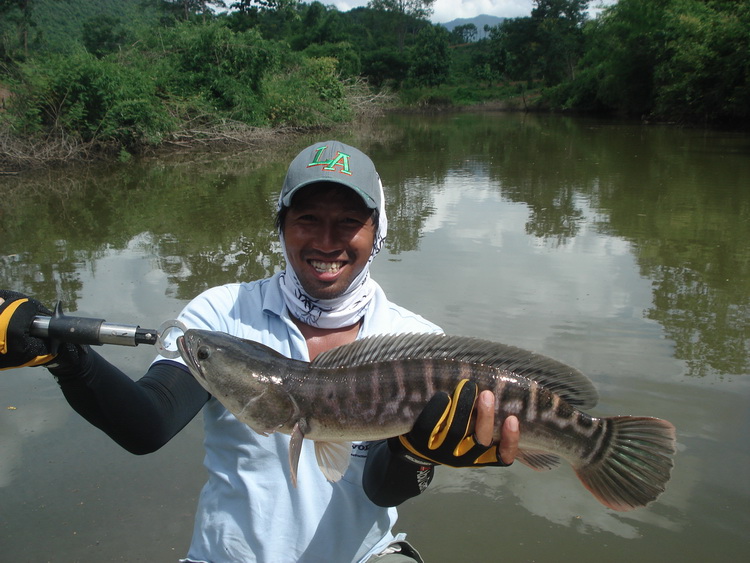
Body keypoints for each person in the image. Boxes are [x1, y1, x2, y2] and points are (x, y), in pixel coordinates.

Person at [0, 141, 520, 563]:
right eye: (307, 218)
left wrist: (417, 455)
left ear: (377, 231)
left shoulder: (422, 348)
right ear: (281, 226)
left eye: (348, 222)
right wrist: (66, 356)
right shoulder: (221, 315)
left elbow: (383, 490)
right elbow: (148, 424)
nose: (326, 240)